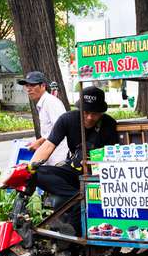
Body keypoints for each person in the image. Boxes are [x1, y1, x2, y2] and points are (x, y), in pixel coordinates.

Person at [29, 86, 118, 234]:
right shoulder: (67, 119)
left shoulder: (109, 124)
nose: (89, 117)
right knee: (36, 173)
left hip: (98, 178)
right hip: (73, 172)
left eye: (94, 114)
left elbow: (113, 156)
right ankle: (78, 198)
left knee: (76, 213)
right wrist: (29, 168)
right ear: (79, 109)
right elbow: (49, 145)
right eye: (86, 112)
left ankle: (77, 207)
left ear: (101, 113)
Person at [18, 71, 69, 166]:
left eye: (32, 85)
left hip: (58, 156)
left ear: (43, 86)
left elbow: (61, 128)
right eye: (27, 86)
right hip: (49, 155)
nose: (29, 89)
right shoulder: (43, 103)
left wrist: (40, 142)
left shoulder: (51, 102)